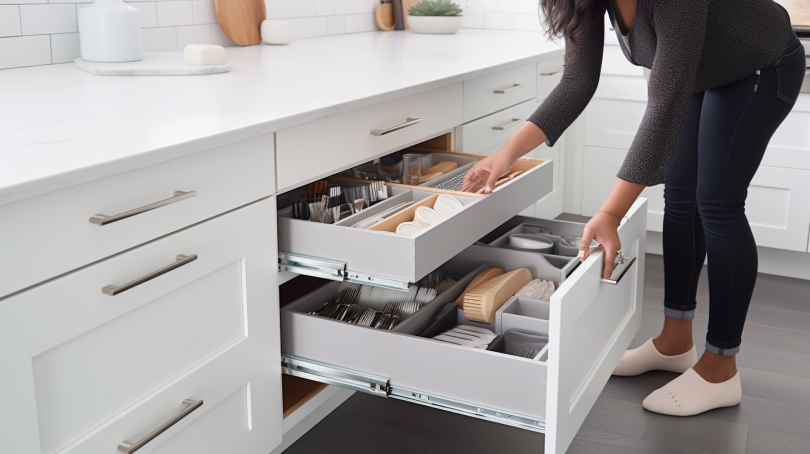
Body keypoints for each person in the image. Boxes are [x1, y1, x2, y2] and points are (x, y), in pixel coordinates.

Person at [461, 0, 805, 416]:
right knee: (679, 196)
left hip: (761, 64)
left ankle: (720, 368)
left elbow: (665, 100)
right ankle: (675, 342)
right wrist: (507, 154)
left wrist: (609, 214)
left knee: (717, 201)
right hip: (704, 72)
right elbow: (576, 82)